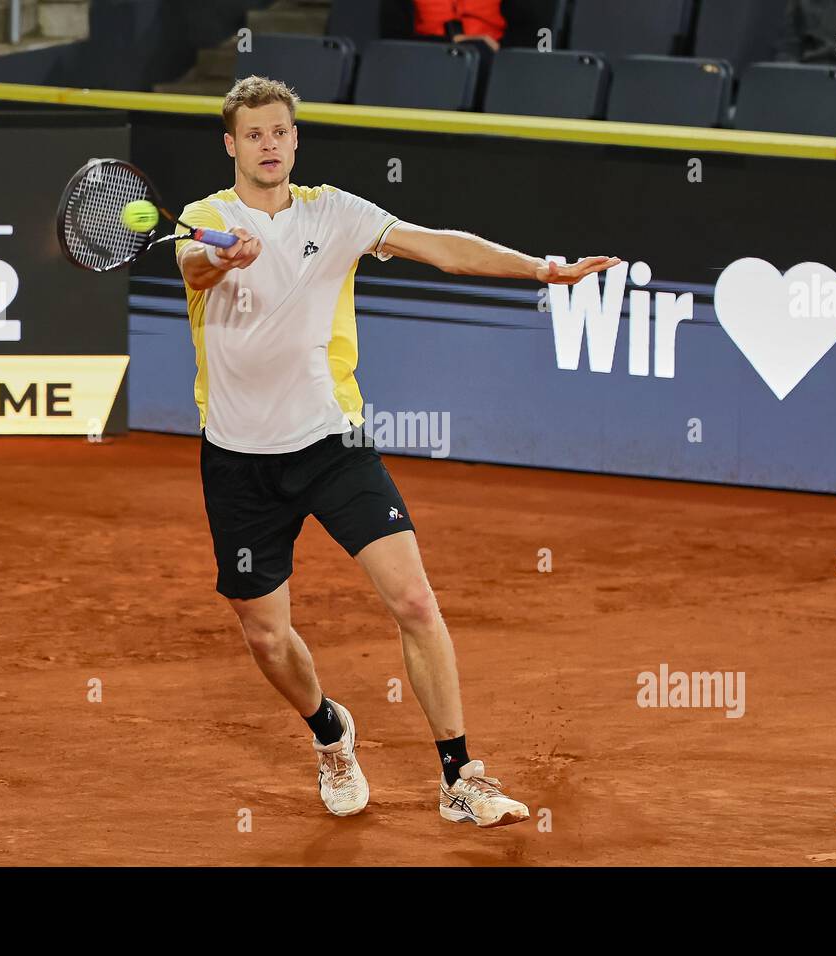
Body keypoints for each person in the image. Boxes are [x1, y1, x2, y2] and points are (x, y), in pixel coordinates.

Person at [175, 76, 616, 828]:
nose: (269, 145)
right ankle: (330, 734)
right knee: (266, 634)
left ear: (294, 139)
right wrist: (227, 260)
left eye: (280, 131)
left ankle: (460, 775)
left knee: (414, 599)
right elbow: (193, 268)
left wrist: (542, 270)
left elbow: (442, 249)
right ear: (231, 144)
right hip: (239, 462)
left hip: (333, 443)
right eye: (254, 134)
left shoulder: (335, 212)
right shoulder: (202, 221)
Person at [410, 0, 506, 52]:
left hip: (497, 55)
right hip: (428, 54)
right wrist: (452, 40)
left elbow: (519, 25)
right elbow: (397, 35)